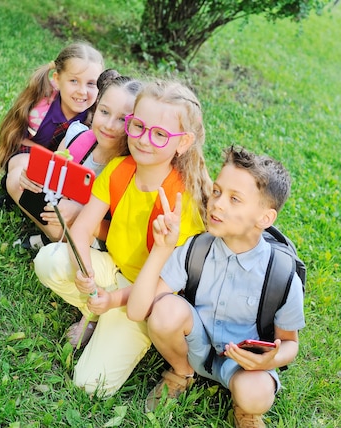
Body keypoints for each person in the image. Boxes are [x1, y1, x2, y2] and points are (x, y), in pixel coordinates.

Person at [34, 80, 212, 397]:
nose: (143, 140)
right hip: (110, 269)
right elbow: (81, 229)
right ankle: (93, 313)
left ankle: (107, 317)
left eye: (159, 134)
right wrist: (85, 273)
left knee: (91, 386)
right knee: (49, 261)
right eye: (138, 126)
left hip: (144, 297)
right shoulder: (119, 168)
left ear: (182, 143)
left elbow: (164, 283)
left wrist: (113, 299)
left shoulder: (182, 201)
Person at [127, 146, 305, 427]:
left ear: (265, 219)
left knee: (256, 395)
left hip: (244, 364)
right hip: (194, 345)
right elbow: (138, 311)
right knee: (164, 312)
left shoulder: (281, 276)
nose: (217, 204)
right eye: (218, 191)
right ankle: (181, 371)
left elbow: (290, 344)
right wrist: (162, 249)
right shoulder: (195, 249)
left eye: (235, 199)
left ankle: (246, 411)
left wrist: (267, 361)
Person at [16, 73, 143, 249]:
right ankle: (52, 238)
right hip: (59, 213)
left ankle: (54, 241)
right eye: (104, 112)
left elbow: (124, 233)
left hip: (96, 237)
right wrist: (31, 180)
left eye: (122, 119)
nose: (109, 125)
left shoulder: (134, 171)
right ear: (96, 107)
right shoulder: (76, 137)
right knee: (14, 180)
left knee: (60, 227)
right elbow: (51, 181)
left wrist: (81, 214)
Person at [0, 42, 104, 219]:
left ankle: (48, 218)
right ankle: (15, 191)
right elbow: (16, 138)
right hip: (29, 156)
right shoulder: (40, 104)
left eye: (91, 84)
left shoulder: (98, 117)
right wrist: (43, 165)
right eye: (74, 81)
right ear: (57, 79)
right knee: (22, 170)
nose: (82, 91)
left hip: (69, 171)